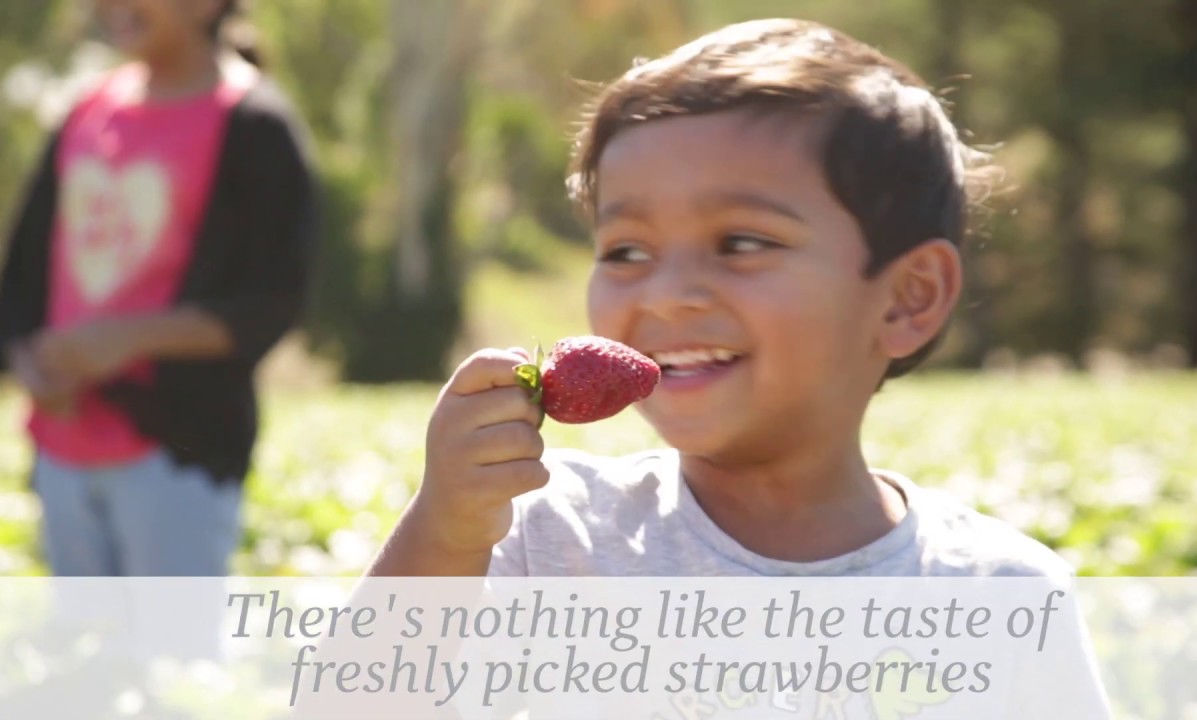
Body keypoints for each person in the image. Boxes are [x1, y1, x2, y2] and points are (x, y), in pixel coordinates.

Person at [358, 18, 1111, 719]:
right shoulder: (546, 537)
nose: (667, 294)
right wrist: (446, 532)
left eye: (742, 243)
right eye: (626, 250)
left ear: (908, 297)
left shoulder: (1001, 595)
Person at [0, 0, 316, 578]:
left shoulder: (256, 125)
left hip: (178, 457)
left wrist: (126, 340)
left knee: (172, 639)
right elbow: (22, 274)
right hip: (62, 451)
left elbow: (272, 300)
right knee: (82, 635)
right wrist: (30, 362)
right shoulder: (85, 110)